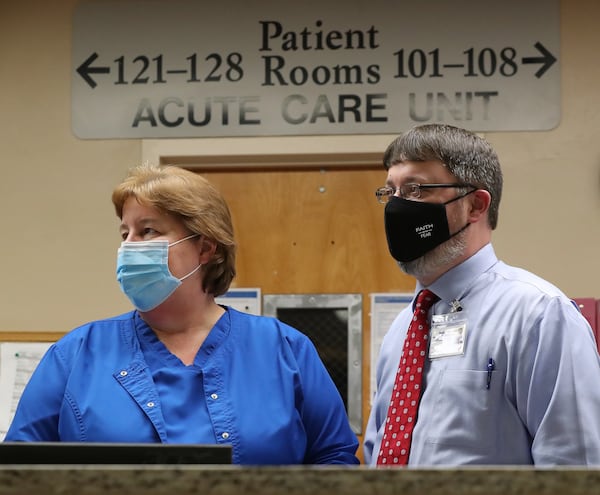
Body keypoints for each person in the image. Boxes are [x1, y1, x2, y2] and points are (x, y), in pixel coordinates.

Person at [6, 164, 359, 465]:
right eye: (125, 232)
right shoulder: (77, 353)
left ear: (205, 247)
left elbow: (334, 459)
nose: (129, 246)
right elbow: (19, 469)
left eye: (148, 231)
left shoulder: (284, 349)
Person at [364, 123, 600, 466]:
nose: (397, 206)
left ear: (475, 205)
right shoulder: (403, 327)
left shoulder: (539, 316)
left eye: (416, 189)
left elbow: (576, 467)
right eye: (392, 192)